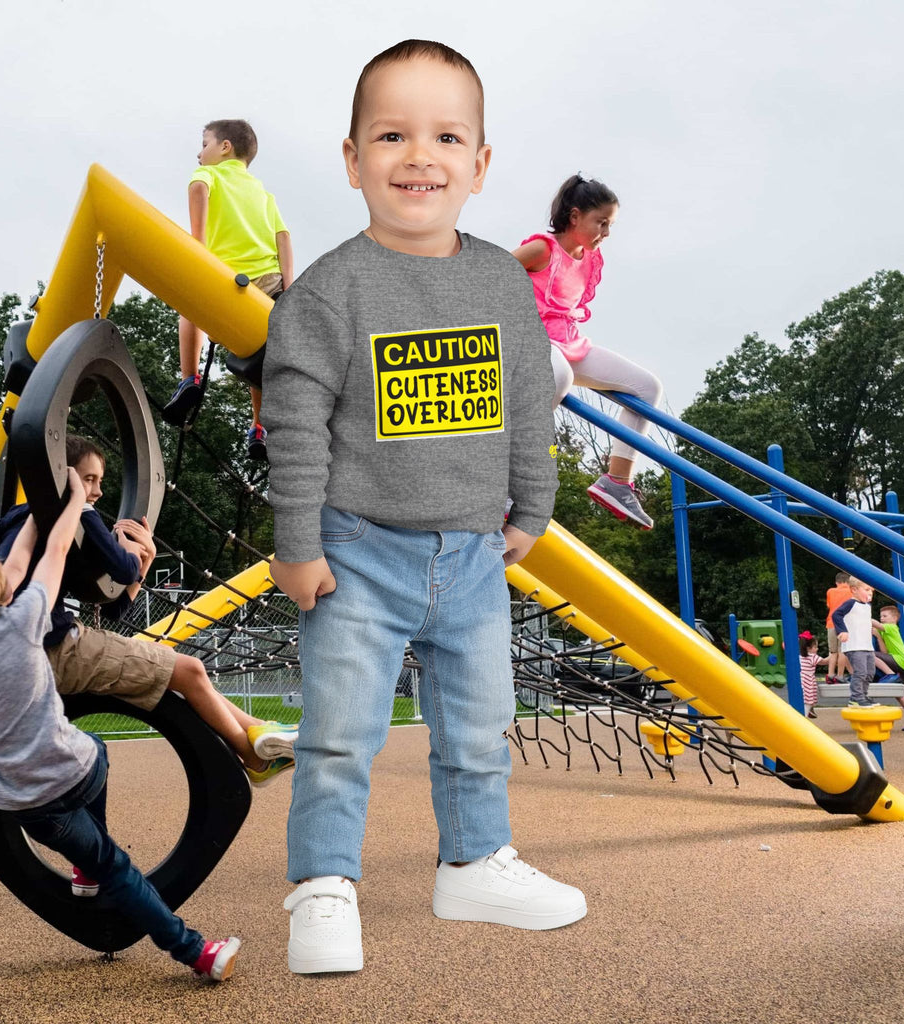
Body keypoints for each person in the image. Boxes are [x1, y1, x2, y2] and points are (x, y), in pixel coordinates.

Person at [260, 39, 587, 977]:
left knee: (481, 726)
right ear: (354, 157)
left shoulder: (497, 283)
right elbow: (295, 417)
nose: (420, 155)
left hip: (476, 556)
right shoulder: (330, 290)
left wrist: (535, 505)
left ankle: (476, 861)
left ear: (480, 165)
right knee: (338, 735)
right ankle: (323, 885)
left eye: (447, 135)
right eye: (392, 134)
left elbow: (530, 399)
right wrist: (297, 543)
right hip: (358, 550)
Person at [0, 470, 241, 981]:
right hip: (67, 777)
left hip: (19, 802)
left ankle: (89, 867)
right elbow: (55, 550)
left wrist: (40, 515)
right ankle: (195, 951)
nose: (7, 570)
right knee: (102, 777)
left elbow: (20, 560)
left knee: (95, 767)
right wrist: (70, 502)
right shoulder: (25, 622)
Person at [0, 435, 296, 789]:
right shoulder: (70, 512)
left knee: (183, 674)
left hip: (48, 649)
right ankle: (255, 755)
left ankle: (257, 729)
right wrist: (127, 550)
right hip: (53, 651)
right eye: (89, 479)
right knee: (189, 669)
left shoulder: (48, 524)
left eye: (100, 481)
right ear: (65, 476)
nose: (98, 492)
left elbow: (114, 607)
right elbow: (121, 570)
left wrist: (145, 559)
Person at [511, 175, 663, 530]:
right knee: (559, 375)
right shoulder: (542, 249)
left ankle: (617, 482)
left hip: (566, 343)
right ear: (575, 216)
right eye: (602, 222)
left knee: (647, 387)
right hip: (528, 341)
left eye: (610, 224)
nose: (606, 232)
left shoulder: (589, 258)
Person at [165, 118, 294, 461]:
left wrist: (199, 244)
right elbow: (283, 237)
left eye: (204, 143)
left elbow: (197, 190)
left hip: (225, 278)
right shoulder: (265, 194)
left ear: (224, 147)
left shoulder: (209, 174)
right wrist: (289, 284)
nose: (198, 153)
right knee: (257, 353)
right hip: (268, 282)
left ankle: (190, 380)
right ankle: (258, 427)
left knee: (188, 305)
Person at [831, 577, 877, 707]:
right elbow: (836, 615)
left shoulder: (867, 606)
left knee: (870, 673)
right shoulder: (850, 603)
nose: (870, 593)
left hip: (867, 646)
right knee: (861, 672)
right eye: (867, 589)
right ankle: (856, 698)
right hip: (855, 646)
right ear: (854, 590)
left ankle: (863, 695)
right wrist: (842, 631)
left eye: (871, 590)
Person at [872, 605, 904, 728]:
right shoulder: (884, 631)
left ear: (894, 619)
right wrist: (878, 636)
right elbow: (885, 652)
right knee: (899, 695)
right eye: (880, 616)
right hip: (902, 664)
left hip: (902, 661)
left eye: (885, 616)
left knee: (869, 654)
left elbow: (876, 624)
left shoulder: (892, 627)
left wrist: (863, 615)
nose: (882, 618)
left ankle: (891, 675)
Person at [824, 571, 854, 683]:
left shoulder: (830, 591)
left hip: (831, 623)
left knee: (832, 652)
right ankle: (840, 675)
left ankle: (830, 675)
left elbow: (829, 605)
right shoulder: (851, 592)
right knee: (843, 651)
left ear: (837, 582)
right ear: (848, 582)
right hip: (844, 624)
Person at [798, 632, 821, 718]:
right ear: (808, 648)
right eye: (815, 647)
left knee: (805, 699)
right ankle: (806, 713)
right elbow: (824, 661)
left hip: (802, 680)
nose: (817, 649)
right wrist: (833, 655)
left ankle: (809, 710)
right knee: (808, 700)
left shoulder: (800, 656)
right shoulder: (812, 656)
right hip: (808, 681)